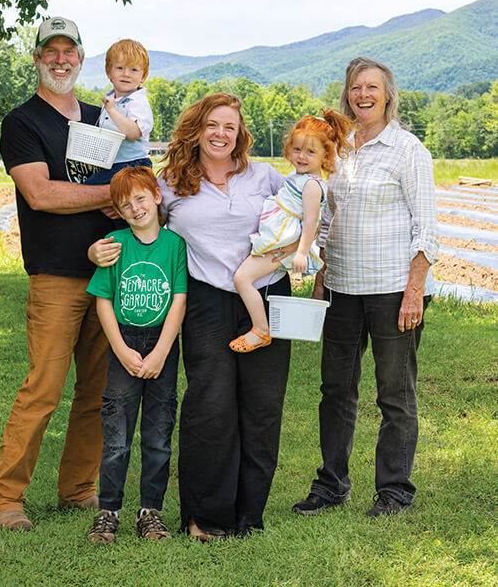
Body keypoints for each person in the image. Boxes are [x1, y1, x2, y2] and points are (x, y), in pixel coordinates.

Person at [90, 92, 288, 539]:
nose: (221, 134)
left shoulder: (264, 176)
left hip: (266, 297)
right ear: (196, 130)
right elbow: (136, 223)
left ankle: (249, 515)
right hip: (206, 300)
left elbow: (309, 212)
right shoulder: (169, 182)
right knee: (210, 406)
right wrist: (94, 251)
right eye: (212, 125)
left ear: (240, 134)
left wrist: (303, 255)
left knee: (262, 407)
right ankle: (205, 517)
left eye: (230, 126)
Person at [0, 16, 118, 533]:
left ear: (81, 59)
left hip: (110, 273)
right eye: (51, 51)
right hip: (57, 276)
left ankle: (78, 488)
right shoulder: (23, 122)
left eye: (70, 52)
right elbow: (40, 194)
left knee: (98, 392)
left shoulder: (102, 119)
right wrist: (111, 194)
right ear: (38, 58)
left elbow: (133, 176)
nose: (61, 60)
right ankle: (5, 498)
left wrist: (128, 193)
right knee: (43, 388)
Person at [293, 57, 438, 518]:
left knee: (394, 394)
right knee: (336, 389)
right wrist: (320, 278)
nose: (363, 95)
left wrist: (414, 291)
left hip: (393, 289)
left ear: (387, 95)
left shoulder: (408, 149)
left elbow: (426, 228)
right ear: (347, 96)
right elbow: (327, 220)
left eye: (372, 87)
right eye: (356, 87)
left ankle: (394, 491)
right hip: (342, 288)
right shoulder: (337, 150)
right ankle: (331, 485)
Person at [84, 167, 187, 543]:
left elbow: (179, 299)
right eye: (125, 205)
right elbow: (103, 300)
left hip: (162, 345)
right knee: (116, 436)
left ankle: (150, 512)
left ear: (157, 197)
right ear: (118, 211)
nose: (135, 209)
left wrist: (161, 351)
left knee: (158, 435)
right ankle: (108, 511)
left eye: (141, 199)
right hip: (124, 343)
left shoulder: (175, 245)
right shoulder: (114, 243)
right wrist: (121, 350)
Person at [229, 111, 353, 353]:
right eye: (297, 149)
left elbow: (311, 222)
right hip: (278, 236)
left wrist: (302, 253)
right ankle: (260, 327)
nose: (301, 156)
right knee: (243, 277)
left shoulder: (311, 185)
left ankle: (260, 330)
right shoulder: (299, 177)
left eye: (310, 152)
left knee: (242, 278)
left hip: (283, 242)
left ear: (326, 155)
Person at [84, 39, 155, 186]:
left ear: (143, 76)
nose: (126, 74)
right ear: (108, 72)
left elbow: (134, 133)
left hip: (133, 165)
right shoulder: (111, 99)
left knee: (88, 189)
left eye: (134, 70)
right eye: (120, 68)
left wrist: (112, 110)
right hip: (112, 164)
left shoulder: (138, 102)